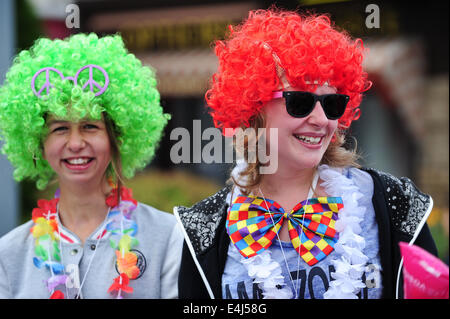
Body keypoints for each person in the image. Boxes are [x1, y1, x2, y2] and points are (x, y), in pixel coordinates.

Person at [175, 9, 438, 299]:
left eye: (332, 104)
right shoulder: (205, 230)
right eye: (300, 102)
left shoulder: (393, 205)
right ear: (254, 107)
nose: (321, 119)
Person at [0, 33, 183, 299]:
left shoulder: (166, 237)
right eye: (60, 128)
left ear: (116, 137)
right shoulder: (9, 254)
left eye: (90, 126)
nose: (75, 143)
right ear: (39, 144)